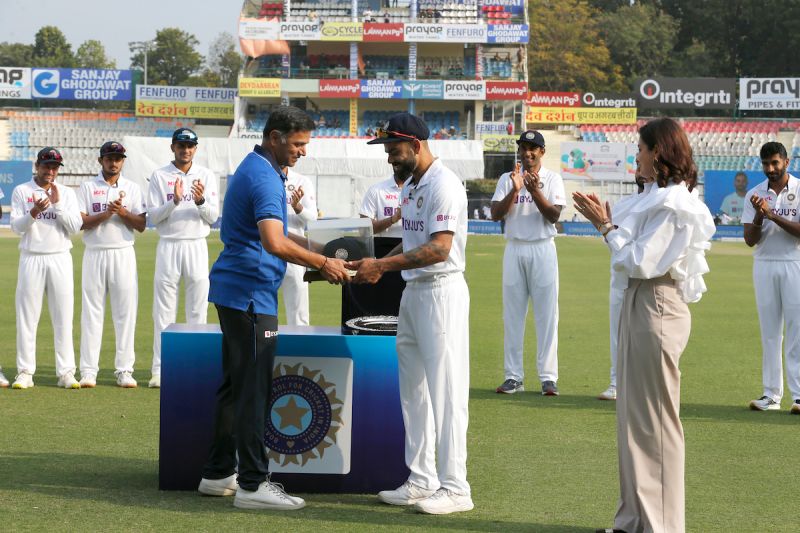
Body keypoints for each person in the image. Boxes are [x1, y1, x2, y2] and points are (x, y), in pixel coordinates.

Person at [197, 106, 350, 510]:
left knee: (235, 387)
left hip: (239, 292)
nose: (303, 151)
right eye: (298, 144)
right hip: (250, 296)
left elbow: (285, 235)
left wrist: (333, 250)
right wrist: (324, 263)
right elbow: (275, 243)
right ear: (276, 137)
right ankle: (251, 484)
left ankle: (217, 474)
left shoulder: (260, 169)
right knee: (253, 391)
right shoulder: (264, 176)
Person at [573, 117, 715, 533]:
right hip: (639, 300)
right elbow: (627, 234)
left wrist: (605, 227)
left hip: (656, 302)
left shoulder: (677, 205)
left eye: (641, 149)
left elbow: (640, 260)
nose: (636, 156)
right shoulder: (656, 197)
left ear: (659, 152)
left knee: (656, 421)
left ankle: (663, 525)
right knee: (633, 420)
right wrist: (607, 222)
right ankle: (633, 520)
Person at [347, 112, 473, 515]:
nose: (389, 158)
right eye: (387, 150)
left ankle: (456, 487)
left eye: (394, 150)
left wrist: (380, 267)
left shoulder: (444, 184)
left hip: (442, 293)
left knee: (447, 393)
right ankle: (422, 479)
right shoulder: (412, 185)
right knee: (414, 392)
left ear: (416, 145)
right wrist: (367, 263)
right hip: (414, 292)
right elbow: (410, 244)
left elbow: (439, 249)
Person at [491, 131, 565, 396]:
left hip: (542, 248)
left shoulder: (553, 179)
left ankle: (548, 377)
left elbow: (553, 216)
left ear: (542, 152)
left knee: (547, 316)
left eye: (533, 148)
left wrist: (534, 192)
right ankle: (513, 377)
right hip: (515, 249)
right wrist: (516, 188)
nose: (527, 153)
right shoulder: (507, 179)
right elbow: (495, 214)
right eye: (523, 148)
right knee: (512, 316)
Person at [146, 128, 219, 389]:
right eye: (181, 145)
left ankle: (196, 367)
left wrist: (199, 201)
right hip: (169, 245)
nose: (185, 150)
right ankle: (160, 369)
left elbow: (212, 216)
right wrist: (174, 201)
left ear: (195, 149)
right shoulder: (160, 175)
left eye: (190, 146)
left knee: (197, 309)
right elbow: (153, 217)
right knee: (163, 311)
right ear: (173, 147)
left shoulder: (206, 175)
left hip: (196, 245)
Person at [10, 147, 83, 389]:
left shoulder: (66, 193)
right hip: (32, 257)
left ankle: (66, 373)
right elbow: (17, 227)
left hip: (60, 257)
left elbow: (75, 227)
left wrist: (58, 205)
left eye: (54, 167)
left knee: (63, 317)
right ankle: (25, 372)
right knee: (27, 317)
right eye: (46, 166)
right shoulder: (22, 191)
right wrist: (34, 212)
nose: (50, 171)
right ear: (37, 166)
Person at [77, 141, 146, 388]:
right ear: (101, 161)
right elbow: (81, 222)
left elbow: (141, 224)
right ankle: (88, 371)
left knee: (125, 314)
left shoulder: (132, 188)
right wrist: (106, 214)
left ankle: (124, 370)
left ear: (123, 161)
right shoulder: (87, 187)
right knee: (91, 313)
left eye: (118, 158)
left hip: (123, 254)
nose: (113, 162)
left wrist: (122, 212)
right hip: (94, 253)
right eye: (109, 158)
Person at [742, 141, 800, 414]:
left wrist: (772, 215)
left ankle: (799, 396)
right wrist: (758, 215)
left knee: (796, 333)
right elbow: (750, 241)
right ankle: (771, 395)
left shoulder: (799, 189)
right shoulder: (754, 194)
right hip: (764, 265)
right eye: (766, 164)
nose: (770, 169)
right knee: (770, 333)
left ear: (786, 162)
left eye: (775, 163)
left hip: (794, 264)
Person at [598, 172, 648, 402]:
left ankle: (643, 386)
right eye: (636, 165)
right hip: (620, 278)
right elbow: (610, 242)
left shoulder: (657, 202)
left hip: (646, 280)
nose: (639, 170)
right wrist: (605, 225)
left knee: (647, 337)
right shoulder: (624, 204)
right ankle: (616, 383)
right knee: (618, 334)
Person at [279, 166, 317, 325]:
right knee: (261, 309)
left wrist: (298, 207)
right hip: (264, 249)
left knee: (298, 314)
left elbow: (312, 219)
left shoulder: (302, 181)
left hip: (293, 252)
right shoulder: (261, 176)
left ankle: (299, 348)